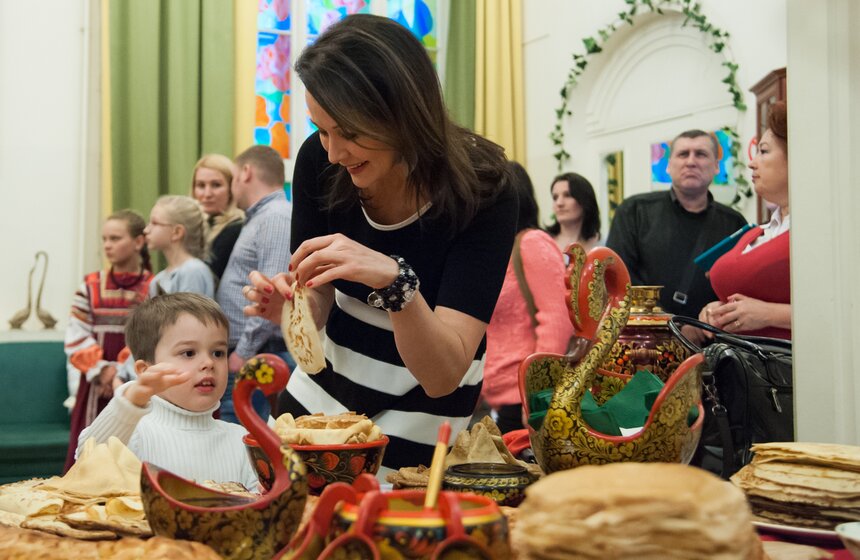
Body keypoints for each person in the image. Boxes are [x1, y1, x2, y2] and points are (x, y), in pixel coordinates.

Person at [243, 14, 518, 473]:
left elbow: (442, 375)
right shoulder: (319, 159)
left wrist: (397, 285)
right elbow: (318, 300)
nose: (333, 152)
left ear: (404, 111)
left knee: (386, 529)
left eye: (349, 133)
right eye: (322, 129)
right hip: (325, 384)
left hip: (425, 407)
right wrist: (293, 310)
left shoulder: (484, 189)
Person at [76, 293, 259, 490]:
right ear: (145, 370)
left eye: (218, 353)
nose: (208, 363)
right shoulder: (135, 433)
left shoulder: (241, 440)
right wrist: (131, 401)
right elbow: (87, 460)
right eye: (188, 353)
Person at [606, 129, 747, 317]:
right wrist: (672, 325)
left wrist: (709, 319)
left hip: (713, 338)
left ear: (716, 166)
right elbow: (618, 278)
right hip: (645, 337)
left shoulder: (734, 224)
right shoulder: (634, 211)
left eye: (701, 154)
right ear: (669, 166)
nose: (691, 162)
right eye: (683, 154)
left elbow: (739, 289)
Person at [482, 163, 574, 433]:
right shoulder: (496, 249)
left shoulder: (532, 242)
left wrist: (537, 396)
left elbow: (557, 321)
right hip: (495, 398)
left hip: (523, 400)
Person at [63, 210, 154, 471]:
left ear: (138, 242)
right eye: (104, 239)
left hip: (135, 381)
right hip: (93, 383)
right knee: (88, 451)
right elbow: (76, 334)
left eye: (115, 238)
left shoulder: (153, 286)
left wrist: (121, 372)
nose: (107, 245)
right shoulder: (89, 285)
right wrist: (102, 370)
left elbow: (150, 337)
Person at [700, 102, 790, 340]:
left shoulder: (821, 231)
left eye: (764, 151)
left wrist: (771, 314)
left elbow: (843, 308)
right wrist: (714, 311)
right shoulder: (756, 233)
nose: (752, 162)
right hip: (739, 367)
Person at [216, 144, 293, 424]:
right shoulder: (261, 217)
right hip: (251, 351)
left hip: (259, 353)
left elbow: (270, 294)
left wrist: (242, 353)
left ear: (246, 172)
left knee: (243, 442)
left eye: (233, 177)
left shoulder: (274, 217)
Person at [144, 195, 215, 298]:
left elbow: (190, 313)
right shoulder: (157, 280)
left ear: (177, 232)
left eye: (154, 223)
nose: (146, 230)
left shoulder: (193, 271)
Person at [190, 154, 244, 280]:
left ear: (232, 188)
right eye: (201, 185)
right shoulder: (199, 224)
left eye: (216, 185)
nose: (207, 194)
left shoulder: (235, 227)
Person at [545, 172, 601, 254]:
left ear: (584, 200)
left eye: (567, 195)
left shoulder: (602, 245)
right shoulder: (544, 243)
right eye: (555, 197)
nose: (559, 203)